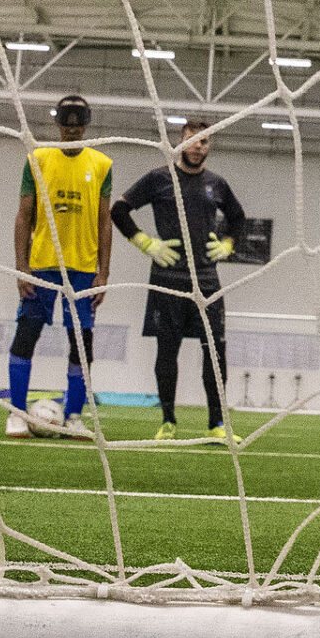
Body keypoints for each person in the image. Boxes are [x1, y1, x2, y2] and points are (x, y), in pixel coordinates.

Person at [111, 119, 246, 444]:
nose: (199, 146)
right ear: (181, 142)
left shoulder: (217, 184)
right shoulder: (159, 179)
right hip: (167, 280)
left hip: (207, 282)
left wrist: (228, 243)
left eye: (205, 142)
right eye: (193, 140)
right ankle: (168, 421)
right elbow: (118, 210)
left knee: (215, 352)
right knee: (166, 351)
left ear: (208, 148)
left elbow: (238, 219)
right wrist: (145, 242)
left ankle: (216, 424)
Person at [5, 94, 112, 440]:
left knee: (82, 343)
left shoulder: (102, 165)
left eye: (77, 125)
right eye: (66, 125)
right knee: (27, 335)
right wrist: (21, 265)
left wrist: (104, 271)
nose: (71, 131)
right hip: (42, 266)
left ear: (86, 126)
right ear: (57, 125)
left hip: (82, 270)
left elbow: (105, 221)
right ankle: (17, 415)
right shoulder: (37, 159)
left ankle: (73, 417)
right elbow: (24, 216)